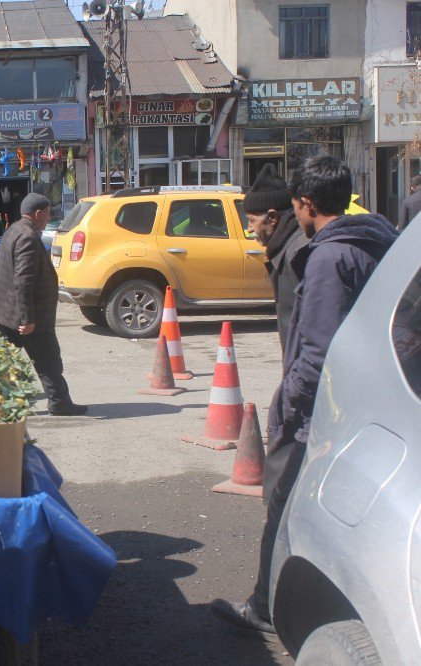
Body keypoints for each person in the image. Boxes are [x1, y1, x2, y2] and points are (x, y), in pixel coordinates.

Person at [211, 157, 398, 638]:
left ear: (303, 205)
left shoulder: (325, 257)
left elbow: (313, 350)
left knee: (284, 502)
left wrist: (285, 410)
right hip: (368, 403)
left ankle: (265, 608)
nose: (251, 225)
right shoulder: (377, 242)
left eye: (254, 217)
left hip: (323, 411)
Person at [0, 193, 88, 417]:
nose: (49, 217)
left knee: (5, 362)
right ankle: (59, 402)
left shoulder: (13, 230)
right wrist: (27, 318)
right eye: (48, 213)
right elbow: (23, 280)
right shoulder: (27, 237)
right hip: (28, 314)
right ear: (38, 213)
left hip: (8, 312)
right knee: (48, 359)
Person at [242, 164, 309, 351]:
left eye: (252, 220)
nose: (249, 228)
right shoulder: (284, 248)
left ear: (271, 217)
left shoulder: (298, 252)